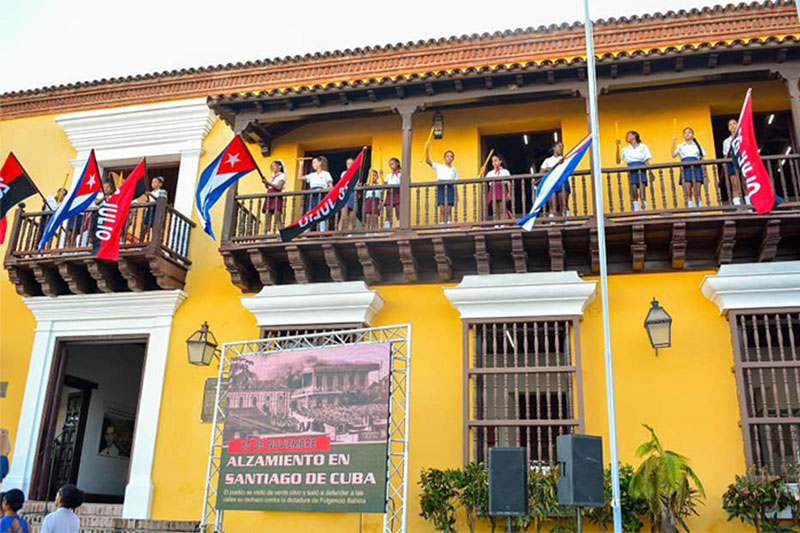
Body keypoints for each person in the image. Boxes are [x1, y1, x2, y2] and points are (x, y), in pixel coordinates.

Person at [616, 131, 652, 212]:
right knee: (634, 189)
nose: (626, 137)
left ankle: (644, 209)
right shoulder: (625, 149)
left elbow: (646, 160)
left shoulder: (643, 147)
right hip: (631, 169)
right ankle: (636, 209)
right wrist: (617, 147)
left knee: (642, 190)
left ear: (634, 136)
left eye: (628, 135)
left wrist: (650, 172)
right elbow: (618, 161)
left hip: (642, 168)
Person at [671, 127, 705, 209]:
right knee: (688, 191)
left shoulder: (697, 145)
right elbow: (673, 155)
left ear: (693, 135)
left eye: (689, 132)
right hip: (686, 168)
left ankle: (699, 211)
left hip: (696, 167)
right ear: (683, 135)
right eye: (685, 133)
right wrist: (673, 141)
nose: (687, 134)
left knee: (697, 191)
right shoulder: (680, 145)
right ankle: (691, 210)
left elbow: (702, 157)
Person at [425, 145, 458, 224]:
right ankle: (442, 225)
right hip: (441, 186)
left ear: (453, 158)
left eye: (451, 156)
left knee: (449, 209)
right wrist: (427, 149)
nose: (449, 158)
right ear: (444, 157)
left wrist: (456, 194)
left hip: (450, 187)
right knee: (442, 209)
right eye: (447, 156)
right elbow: (428, 161)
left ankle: (449, 225)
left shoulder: (454, 170)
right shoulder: (439, 166)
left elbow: (456, 183)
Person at [300, 156, 333, 232]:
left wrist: (322, 190)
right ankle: (306, 231)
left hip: (321, 194)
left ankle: (322, 232)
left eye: (315, 162)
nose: (313, 164)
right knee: (310, 212)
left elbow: (331, 187)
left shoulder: (326, 174)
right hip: (312, 195)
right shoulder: (312, 175)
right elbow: (300, 178)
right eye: (312, 163)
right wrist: (301, 165)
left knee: (321, 212)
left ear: (320, 163)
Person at [540, 141, 571, 217]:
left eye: (562, 147)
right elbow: (541, 173)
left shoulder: (565, 159)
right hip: (551, 182)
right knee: (552, 204)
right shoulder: (547, 160)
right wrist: (548, 169)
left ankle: (566, 220)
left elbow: (568, 169)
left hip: (562, 181)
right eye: (559, 146)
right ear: (554, 148)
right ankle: (552, 221)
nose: (561, 148)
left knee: (564, 203)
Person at [722, 118, 745, 206]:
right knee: (735, 185)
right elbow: (725, 154)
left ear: (738, 125)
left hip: (742, 160)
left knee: (746, 184)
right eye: (730, 125)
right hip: (732, 163)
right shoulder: (726, 141)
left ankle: (750, 206)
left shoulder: (743, 137)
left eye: (734, 124)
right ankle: (738, 206)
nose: (732, 126)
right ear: (728, 128)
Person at [262, 161, 286, 233]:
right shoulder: (272, 177)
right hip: (269, 195)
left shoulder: (282, 176)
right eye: (272, 166)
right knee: (268, 216)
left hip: (276, 195)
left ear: (280, 166)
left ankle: (281, 234)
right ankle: (267, 235)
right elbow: (268, 187)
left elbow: (279, 187)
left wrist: (268, 183)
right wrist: (265, 183)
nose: (273, 167)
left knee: (277, 217)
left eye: (274, 165)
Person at [485, 154, 510, 221]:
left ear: (500, 161)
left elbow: (508, 182)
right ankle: (496, 222)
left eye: (496, 160)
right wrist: (482, 171)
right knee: (495, 208)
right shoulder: (490, 173)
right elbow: (485, 180)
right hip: (493, 190)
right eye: (492, 161)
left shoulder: (505, 171)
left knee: (502, 207)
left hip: (502, 190)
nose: (494, 163)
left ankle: (502, 222)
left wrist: (509, 193)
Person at [338, 158, 356, 233]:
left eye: (351, 163)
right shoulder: (344, 173)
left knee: (351, 215)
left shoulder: (356, 173)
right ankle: (339, 232)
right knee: (343, 215)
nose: (350, 165)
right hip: (345, 193)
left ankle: (349, 233)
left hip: (353, 193)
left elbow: (357, 184)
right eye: (348, 163)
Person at [383, 158, 402, 228]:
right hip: (389, 192)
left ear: (397, 164)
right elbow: (384, 184)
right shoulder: (388, 175)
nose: (391, 166)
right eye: (389, 164)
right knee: (388, 211)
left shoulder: (401, 174)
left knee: (398, 211)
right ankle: (387, 228)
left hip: (397, 191)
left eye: (392, 164)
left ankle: (399, 226)